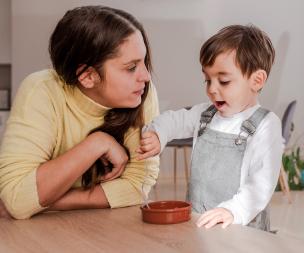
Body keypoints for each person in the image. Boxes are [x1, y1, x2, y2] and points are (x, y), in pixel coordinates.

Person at [0, 6, 159, 219]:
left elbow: (137, 187)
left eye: (143, 62)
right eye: (131, 67)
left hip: (102, 228)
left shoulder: (141, 94)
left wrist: (44, 201)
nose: (146, 76)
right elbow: (17, 197)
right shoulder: (41, 91)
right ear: (87, 76)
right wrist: (96, 144)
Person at [137, 25, 284, 231]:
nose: (212, 89)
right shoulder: (205, 115)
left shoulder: (266, 125)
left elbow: (262, 183)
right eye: (207, 79)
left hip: (240, 227)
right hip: (200, 221)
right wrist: (158, 134)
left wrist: (233, 210)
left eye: (223, 81)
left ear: (256, 80)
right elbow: (174, 120)